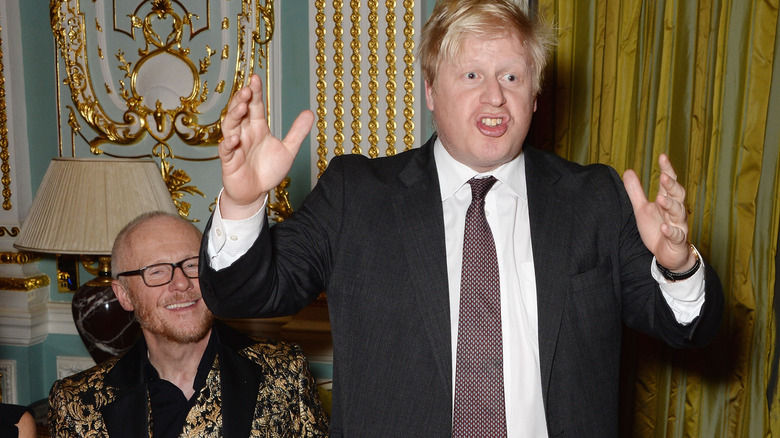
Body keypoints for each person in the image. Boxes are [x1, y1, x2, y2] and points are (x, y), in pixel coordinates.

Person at [199, 0, 724, 436]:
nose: (494, 96)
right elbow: (243, 295)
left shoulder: (594, 199)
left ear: (534, 96)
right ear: (431, 90)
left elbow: (688, 329)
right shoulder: (355, 195)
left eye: (512, 76)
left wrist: (677, 265)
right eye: (471, 74)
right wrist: (243, 205)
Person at [48, 212, 328, 437]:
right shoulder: (77, 402)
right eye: (156, 271)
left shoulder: (284, 370)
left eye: (193, 265)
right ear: (124, 295)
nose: (181, 283)